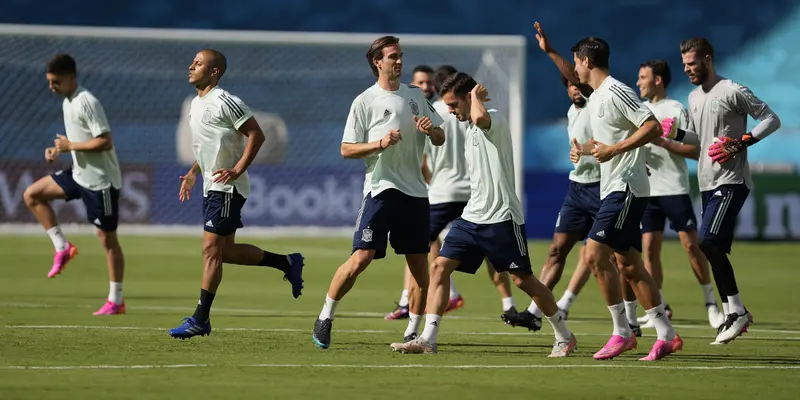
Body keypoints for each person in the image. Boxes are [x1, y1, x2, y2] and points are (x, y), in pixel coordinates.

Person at [390, 73, 577, 357]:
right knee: (439, 267)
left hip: (502, 215)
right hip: (473, 215)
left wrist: (476, 97)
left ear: (469, 97)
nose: (450, 111)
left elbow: (479, 118)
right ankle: (427, 338)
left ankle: (564, 336)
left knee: (522, 280)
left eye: (454, 104)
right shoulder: (469, 127)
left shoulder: (494, 118)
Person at [535, 20, 682, 360]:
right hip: (613, 186)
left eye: (576, 62)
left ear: (586, 61)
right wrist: (587, 150)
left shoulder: (616, 90)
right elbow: (610, 139)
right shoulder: (598, 97)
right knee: (628, 264)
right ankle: (666, 334)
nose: (573, 69)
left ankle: (621, 332)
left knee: (593, 254)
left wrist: (615, 151)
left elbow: (651, 126)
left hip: (626, 187)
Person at [313, 36, 445, 349]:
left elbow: (439, 137)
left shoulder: (415, 95)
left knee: (419, 266)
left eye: (400, 56)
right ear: (377, 62)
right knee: (361, 257)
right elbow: (346, 149)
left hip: (415, 193)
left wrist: (431, 130)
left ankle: (413, 330)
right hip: (381, 190)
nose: (398, 62)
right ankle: (325, 317)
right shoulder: (364, 101)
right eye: (392, 57)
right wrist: (379, 144)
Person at [168, 49, 305, 339]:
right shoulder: (196, 103)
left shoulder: (226, 101)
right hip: (212, 184)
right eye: (192, 61)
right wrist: (194, 171)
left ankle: (200, 319)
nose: (191, 66)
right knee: (224, 251)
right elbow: (207, 146)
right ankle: (287, 262)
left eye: (198, 63)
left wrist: (238, 169)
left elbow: (256, 134)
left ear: (215, 72)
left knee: (210, 251)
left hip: (226, 187)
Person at [662, 38, 780, 344]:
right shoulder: (693, 97)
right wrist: (674, 132)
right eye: (685, 64)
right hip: (706, 182)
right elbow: (700, 139)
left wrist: (742, 141)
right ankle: (732, 312)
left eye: (692, 63)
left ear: (708, 59)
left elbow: (771, 119)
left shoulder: (732, 90)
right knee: (713, 249)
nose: (687, 69)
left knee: (708, 241)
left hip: (732, 180)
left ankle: (737, 311)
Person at [385, 65, 520, 324]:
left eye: (426, 83)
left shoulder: (437, 113)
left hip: (443, 192)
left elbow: (426, 159)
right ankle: (508, 304)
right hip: (475, 195)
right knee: (490, 252)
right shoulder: (469, 114)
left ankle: (407, 301)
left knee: (417, 247)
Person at [506, 24, 599, 329]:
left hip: (603, 187)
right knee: (557, 249)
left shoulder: (598, 100)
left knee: (612, 259)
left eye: (576, 84)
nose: (573, 89)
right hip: (577, 187)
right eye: (569, 86)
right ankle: (535, 313)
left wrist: (549, 52)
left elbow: (576, 76)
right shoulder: (572, 113)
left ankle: (632, 316)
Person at [23, 53, 127, 316]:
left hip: (101, 182)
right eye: (49, 81)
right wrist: (58, 150)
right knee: (32, 194)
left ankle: (116, 301)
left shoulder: (86, 101)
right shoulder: (68, 101)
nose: (51, 87)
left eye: (55, 81)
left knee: (107, 239)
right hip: (79, 174)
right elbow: (80, 140)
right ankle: (62, 247)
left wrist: (70, 146)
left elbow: (105, 141)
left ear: (71, 77)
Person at [629, 59, 724, 331]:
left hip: (674, 188)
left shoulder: (675, 109)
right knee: (649, 250)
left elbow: (695, 151)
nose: (639, 83)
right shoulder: (640, 111)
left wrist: (664, 142)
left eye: (643, 77)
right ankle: (659, 307)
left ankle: (711, 304)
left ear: (658, 80)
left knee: (692, 246)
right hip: (647, 192)